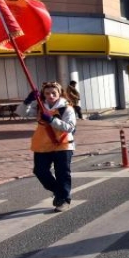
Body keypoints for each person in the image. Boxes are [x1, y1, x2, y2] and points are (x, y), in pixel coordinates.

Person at [17, 82, 77, 212]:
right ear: (43, 94)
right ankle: (59, 192)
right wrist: (27, 101)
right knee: (40, 171)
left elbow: (70, 127)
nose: (50, 95)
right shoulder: (39, 106)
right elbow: (22, 113)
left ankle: (64, 200)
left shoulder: (66, 108)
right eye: (47, 93)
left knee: (62, 173)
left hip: (63, 144)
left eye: (53, 93)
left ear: (59, 93)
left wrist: (51, 120)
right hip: (42, 144)